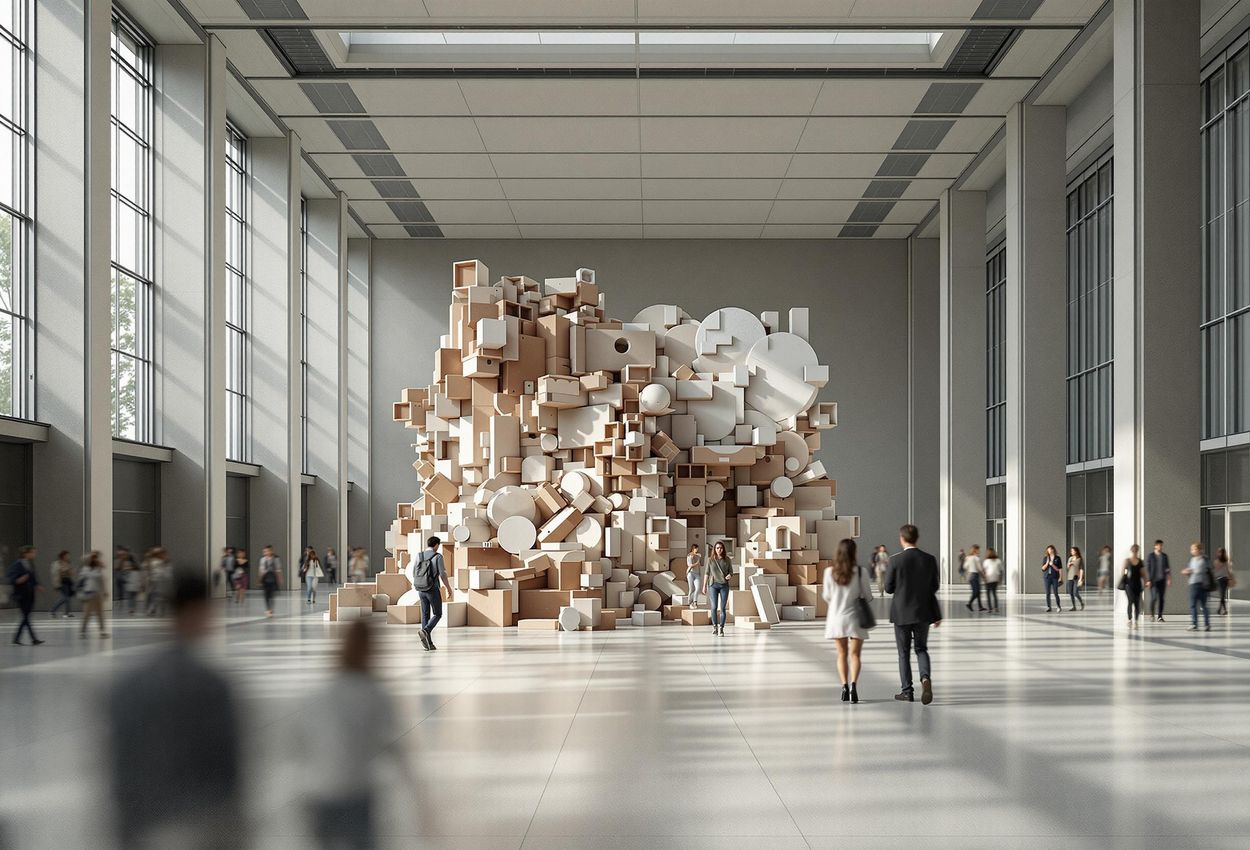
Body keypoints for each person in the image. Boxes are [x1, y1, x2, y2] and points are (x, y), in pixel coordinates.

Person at [107, 568, 244, 847]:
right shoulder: (210, 685)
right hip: (195, 819)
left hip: (145, 821)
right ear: (200, 610)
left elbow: (121, 764)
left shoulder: (128, 684)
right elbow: (223, 765)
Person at [300, 620, 406, 848]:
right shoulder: (374, 693)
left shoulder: (322, 692)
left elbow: (302, 745)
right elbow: (394, 746)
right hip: (357, 791)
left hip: (322, 790)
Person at [885, 524, 941, 705]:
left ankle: (907, 691)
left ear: (902, 538)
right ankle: (925, 678)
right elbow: (934, 587)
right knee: (921, 649)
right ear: (917, 538)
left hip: (901, 613)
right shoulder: (929, 559)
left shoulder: (895, 560)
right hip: (923, 611)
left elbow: (888, 588)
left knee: (903, 653)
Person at [822, 539, 873, 704]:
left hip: (837, 618)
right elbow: (868, 596)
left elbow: (826, 596)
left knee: (841, 654)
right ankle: (853, 686)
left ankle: (844, 686)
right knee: (855, 655)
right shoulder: (861, 572)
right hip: (856, 619)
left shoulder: (829, 572)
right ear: (854, 553)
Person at [413, 537, 453, 651]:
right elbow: (442, 574)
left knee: (425, 615)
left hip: (420, 589)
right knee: (437, 613)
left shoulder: (419, 555)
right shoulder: (438, 556)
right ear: (436, 545)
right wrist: (448, 588)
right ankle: (426, 630)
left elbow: (414, 572)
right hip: (432, 589)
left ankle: (428, 643)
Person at [8, 545, 44, 646]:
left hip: (29, 593)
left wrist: (37, 585)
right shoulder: (17, 564)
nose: (34, 554)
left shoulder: (30, 564)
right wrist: (18, 580)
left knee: (26, 617)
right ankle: (33, 639)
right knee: (26, 617)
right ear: (26, 553)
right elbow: (11, 577)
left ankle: (17, 638)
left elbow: (32, 578)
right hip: (21, 594)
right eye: (32, 552)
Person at [703, 541, 734, 637]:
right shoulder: (710, 560)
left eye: (721, 548)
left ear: (723, 549)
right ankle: (715, 627)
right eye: (717, 548)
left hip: (724, 585)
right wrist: (704, 586)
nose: (719, 549)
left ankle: (721, 628)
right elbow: (706, 573)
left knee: (723, 608)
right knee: (714, 607)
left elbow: (731, 572)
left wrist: (729, 575)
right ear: (714, 549)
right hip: (713, 585)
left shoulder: (727, 559)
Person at [1182, 541, 1212, 632]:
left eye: (1194, 549)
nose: (1192, 551)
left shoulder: (1203, 560)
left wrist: (1189, 571)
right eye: (1191, 549)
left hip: (1198, 584)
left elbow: (1199, 570)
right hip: (1195, 584)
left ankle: (1196, 624)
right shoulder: (1193, 560)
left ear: (1199, 550)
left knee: (1196, 605)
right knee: (1199, 605)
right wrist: (1187, 571)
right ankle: (1204, 624)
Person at [78, 551, 109, 639]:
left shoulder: (98, 569)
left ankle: (102, 631)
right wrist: (92, 555)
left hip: (98, 594)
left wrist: (105, 591)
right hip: (89, 594)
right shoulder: (85, 569)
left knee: (100, 614)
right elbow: (83, 558)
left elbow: (102, 581)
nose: (96, 559)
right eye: (94, 558)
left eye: (96, 558)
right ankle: (82, 632)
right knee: (87, 614)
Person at [1145, 539, 1171, 623]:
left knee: (1161, 599)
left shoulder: (1164, 556)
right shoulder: (1151, 556)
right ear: (1155, 546)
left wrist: (1168, 578)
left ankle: (1160, 616)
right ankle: (1152, 615)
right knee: (1154, 598)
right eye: (1159, 545)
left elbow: (1167, 568)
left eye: (1161, 545)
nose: (1161, 547)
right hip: (1153, 581)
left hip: (1162, 580)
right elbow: (1148, 569)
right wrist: (1148, 580)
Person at [1121, 545, 1145, 628]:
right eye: (1133, 550)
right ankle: (1130, 619)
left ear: (1137, 551)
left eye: (1136, 550)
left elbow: (1143, 573)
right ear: (1131, 551)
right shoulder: (1127, 561)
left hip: (1138, 584)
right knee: (1130, 601)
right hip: (1129, 585)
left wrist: (1146, 581)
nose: (1134, 552)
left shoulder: (1140, 561)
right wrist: (1124, 578)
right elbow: (1122, 572)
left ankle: (1136, 621)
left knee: (1137, 603)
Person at [48, 550, 76, 618]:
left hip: (68, 581)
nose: (68, 557)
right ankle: (53, 610)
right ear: (63, 556)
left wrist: (70, 571)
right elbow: (55, 574)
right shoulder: (57, 563)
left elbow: (71, 573)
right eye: (67, 555)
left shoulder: (68, 563)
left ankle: (66, 613)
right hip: (61, 582)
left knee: (67, 598)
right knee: (65, 598)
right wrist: (56, 584)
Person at [259, 545, 282, 617]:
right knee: (266, 595)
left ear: (271, 551)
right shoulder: (262, 559)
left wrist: (279, 579)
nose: (266, 552)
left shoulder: (276, 559)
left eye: (267, 551)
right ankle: (268, 609)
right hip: (265, 579)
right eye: (264, 551)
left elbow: (278, 570)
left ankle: (271, 609)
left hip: (273, 578)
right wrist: (260, 580)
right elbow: (261, 570)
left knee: (272, 595)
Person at [1041, 545, 1063, 612]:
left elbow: (1059, 569)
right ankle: (1048, 607)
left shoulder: (1058, 558)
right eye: (1048, 550)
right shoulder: (1045, 558)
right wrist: (1047, 563)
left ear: (1053, 549)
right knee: (1047, 593)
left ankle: (1058, 606)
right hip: (1047, 577)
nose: (1049, 551)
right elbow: (1043, 568)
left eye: (1050, 549)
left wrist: (1060, 577)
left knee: (1055, 592)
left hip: (1055, 577)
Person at [963, 544, 985, 612]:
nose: (979, 551)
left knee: (977, 591)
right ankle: (969, 603)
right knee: (976, 592)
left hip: (970, 575)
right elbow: (979, 568)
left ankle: (980, 607)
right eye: (978, 549)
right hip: (975, 575)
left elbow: (965, 566)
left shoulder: (968, 557)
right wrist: (984, 576)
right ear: (976, 550)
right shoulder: (976, 558)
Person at [1213, 547, 1235, 615]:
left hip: (1225, 579)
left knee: (1222, 595)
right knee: (1222, 595)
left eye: (1222, 552)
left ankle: (1221, 609)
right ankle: (1223, 610)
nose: (1221, 553)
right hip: (1219, 579)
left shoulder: (1225, 562)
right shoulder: (1217, 561)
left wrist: (1231, 578)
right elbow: (1215, 570)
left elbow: (1228, 571)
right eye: (1220, 552)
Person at [982, 547, 1003, 613]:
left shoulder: (986, 561)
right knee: (994, 593)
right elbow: (1001, 571)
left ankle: (990, 608)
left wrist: (984, 578)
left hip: (988, 578)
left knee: (988, 594)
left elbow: (984, 571)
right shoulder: (998, 560)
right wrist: (1000, 579)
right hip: (995, 578)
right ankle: (996, 607)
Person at [1066, 546, 1086, 611]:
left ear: (1076, 551)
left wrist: (1081, 578)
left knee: (1075, 593)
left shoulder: (1080, 559)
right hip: (1070, 577)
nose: (1071, 552)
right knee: (1070, 593)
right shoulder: (1070, 558)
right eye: (1071, 551)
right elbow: (1068, 568)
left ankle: (1082, 603)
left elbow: (1081, 569)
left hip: (1076, 577)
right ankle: (1074, 606)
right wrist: (1069, 564)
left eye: (1072, 551)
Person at [685, 544, 702, 609]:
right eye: (696, 548)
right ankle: (690, 601)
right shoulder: (689, 556)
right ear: (693, 549)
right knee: (691, 589)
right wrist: (695, 562)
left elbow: (699, 565)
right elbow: (689, 565)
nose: (697, 550)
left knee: (697, 588)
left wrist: (700, 573)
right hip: (691, 573)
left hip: (697, 574)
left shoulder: (698, 556)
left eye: (697, 548)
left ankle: (695, 601)